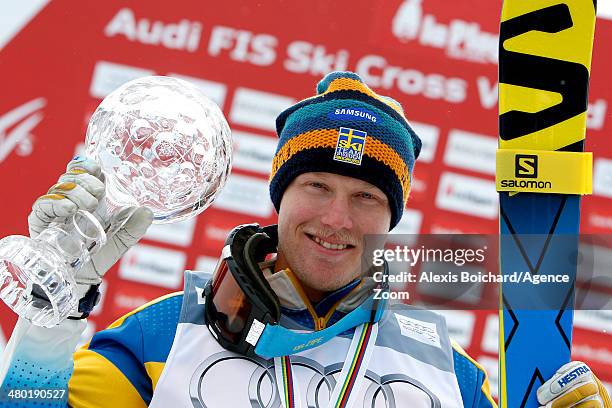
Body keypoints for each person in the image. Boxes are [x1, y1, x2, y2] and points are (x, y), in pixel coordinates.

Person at [0, 71, 608, 408]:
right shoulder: (163, 334)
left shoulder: (449, 376)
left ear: (391, 218)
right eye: (316, 184)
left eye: (367, 196)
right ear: (279, 196)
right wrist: (49, 322)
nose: (337, 218)